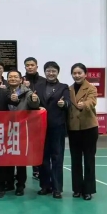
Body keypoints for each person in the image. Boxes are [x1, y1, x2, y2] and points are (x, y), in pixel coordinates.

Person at [0, 69, 39, 196]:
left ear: (21, 79)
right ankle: (9, 183)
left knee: (21, 160)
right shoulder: (3, 91)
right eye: (10, 77)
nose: (13, 79)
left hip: (21, 130)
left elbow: (34, 105)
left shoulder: (27, 92)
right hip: (6, 129)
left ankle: (20, 185)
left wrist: (34, 100)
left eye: (16, 77)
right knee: (7, 158)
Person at [33, 61, 70, 199]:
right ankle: (45, 186)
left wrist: (63, 104)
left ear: (57, 72)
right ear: (44, 72)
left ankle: (57, 188)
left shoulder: (63, 87)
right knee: (43, 158)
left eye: (53, 71)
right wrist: (35, 103)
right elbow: (33, 104)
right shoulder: (38, 86)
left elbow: (68, 102)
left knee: (57, 157)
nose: (51, 73)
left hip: (57, 127)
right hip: (40, 127)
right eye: (48, 71)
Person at [68, 63, 98, 201]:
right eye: (74, 73)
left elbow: (92, 101)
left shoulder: (91, 88)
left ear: (85, 74)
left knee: (89, 160)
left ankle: (88, 190)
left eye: (79, 73)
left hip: (89, 128)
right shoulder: (69, 89)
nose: (77, 75)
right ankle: (77, 189)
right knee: (75, 160)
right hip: (73, 128)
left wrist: (84, 104)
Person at [24, 56, 45, 179]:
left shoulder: (43, 81)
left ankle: (40, 169)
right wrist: (24, 87)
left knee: (39, 145)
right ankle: (30, 169)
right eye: (27, 65)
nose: (30, 67)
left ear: (37, 66)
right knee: (27, 146)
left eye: (32, 65)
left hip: (39, 117)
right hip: (24, 118)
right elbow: (16, 96)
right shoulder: (21, 80)